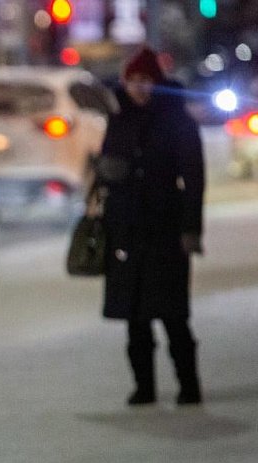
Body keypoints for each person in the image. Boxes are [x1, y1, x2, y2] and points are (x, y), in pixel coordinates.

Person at [97, 46, 205, 406]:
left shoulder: (176, 120)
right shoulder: (119, 117)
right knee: (134, 316)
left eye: (147, 81)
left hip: (165, 226)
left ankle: (188, 385)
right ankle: (144, 387)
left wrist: (191, 229)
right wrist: (108, 172)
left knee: (173, 314)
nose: (140, 88)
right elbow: (108, 164)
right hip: (126, 225)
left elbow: (194, 176)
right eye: (134, 81)